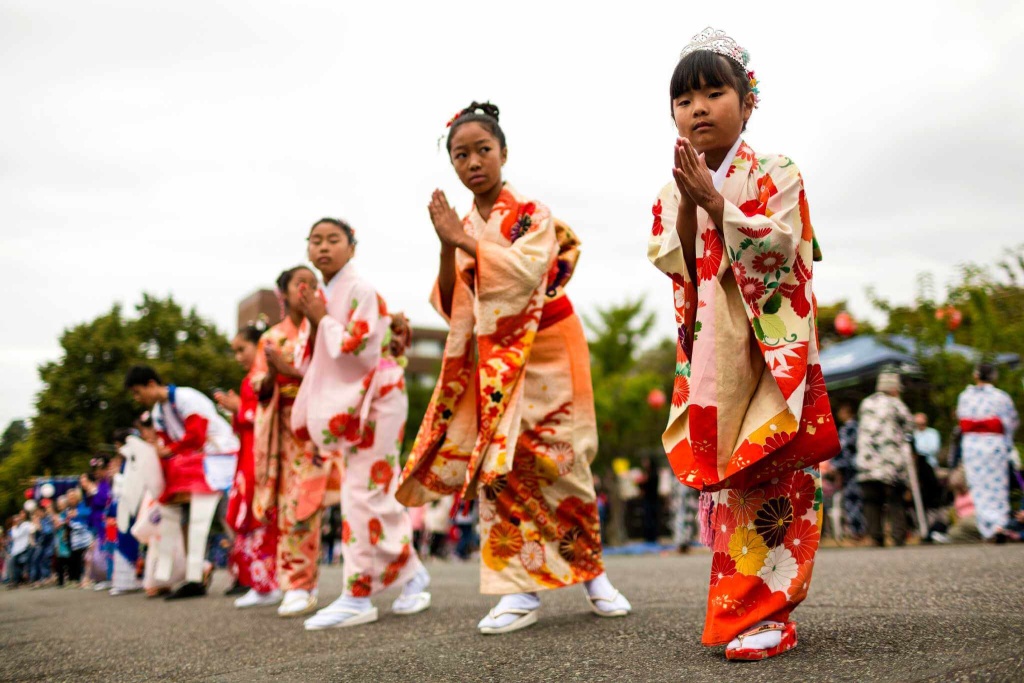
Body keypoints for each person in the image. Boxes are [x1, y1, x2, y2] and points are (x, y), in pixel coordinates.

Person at [398, 101, 631, 635]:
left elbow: (527, 275)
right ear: (452, 165)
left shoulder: (532, 213)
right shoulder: (462, 224)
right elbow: (453, 300)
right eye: (461, 154)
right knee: (499, 466)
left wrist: (462, 241)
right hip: (497, 356)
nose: (473, 161)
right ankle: (516, 590)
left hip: (548, 341)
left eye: (483, 150)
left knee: (561, 457)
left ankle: (592, 575)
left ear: (504, 152)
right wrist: (446, 246)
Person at [646, 28, 840, 660]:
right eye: (684, 99)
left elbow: (785, 250)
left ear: (747, 102)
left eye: (712, 91)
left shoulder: (777, 171)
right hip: (715, 350)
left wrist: (715, 203)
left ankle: (770, 613)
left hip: (766, 345)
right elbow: (676, 262)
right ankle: (744, 610)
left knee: (774, 470)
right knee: (733, 479)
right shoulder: (675, 183)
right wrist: (690, 204)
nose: (697, 107)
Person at [290, 219, 431, 630]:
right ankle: (409, 574)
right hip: (358, 401)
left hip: (378, 396)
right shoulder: (322, 295)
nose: (323, 247)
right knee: (369, 492)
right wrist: (316, 319)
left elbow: (362, 348)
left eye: (334, 240)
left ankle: (358, 593)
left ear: (352, 248)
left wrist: (322, 320)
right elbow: (311, 356)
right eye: (315, 240)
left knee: (363, 493)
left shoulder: (359, 289)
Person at [249, 265, 338, 618]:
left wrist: (292, 371)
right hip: (287, 432)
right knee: (293, 507)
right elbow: (261, 387)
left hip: (324, 428)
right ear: (282, 293)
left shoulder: (328, 328)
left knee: (323, 502)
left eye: (313, 283)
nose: (307, 289)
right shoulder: (271, 337)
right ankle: (299, 584)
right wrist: (273, 372)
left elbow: (342, 374)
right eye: (300, 283)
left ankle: (393, 574)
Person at [124, 365, 239, 599]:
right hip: (191, 469)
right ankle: (194, 576)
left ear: (151, 384)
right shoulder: (158, 413)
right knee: (187, 518)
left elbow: (196, 436)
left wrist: (169, 450)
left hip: (220, 460)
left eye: (138, 392)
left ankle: (244, 573)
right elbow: (166, 446)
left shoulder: (187, 398)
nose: (138, 398)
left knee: (228, 516)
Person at [217, 323, 282, 609]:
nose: (238, 357)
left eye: (241, 349)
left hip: (258, 456)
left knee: (259, 517)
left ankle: (267, 583)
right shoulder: (250, 380)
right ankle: (256, 581)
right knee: (246, 517)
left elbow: (265, 415)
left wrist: (239, 409)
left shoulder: (262, 378)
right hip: (247, 456)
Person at [955, 363, 1020, 541]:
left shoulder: (965, 396)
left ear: (976, 375)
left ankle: (989, 527)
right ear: (993, 376)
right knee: (998, 487)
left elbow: (961, 419)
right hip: (994, 444)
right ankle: (999, 524)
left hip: (973, 446)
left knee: (979, 486)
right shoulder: (1001, 397)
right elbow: (1011, 422)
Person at [857, 373, 913, 547]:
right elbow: (909, 426)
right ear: (894, 389)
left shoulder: (866, 403)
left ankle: (875, 536)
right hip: (890, 462)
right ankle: (898, 536)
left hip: (866, 461)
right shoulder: (896, 405)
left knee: (871, 500)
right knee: (895, 499)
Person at [829, 404, 866, 539]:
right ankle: (858, 530)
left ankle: (857, 531)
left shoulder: (848, 429)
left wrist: (835, 466)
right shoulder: (859, 427)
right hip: (858, 467)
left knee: (853, 500)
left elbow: (841, 449)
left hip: (850, 469)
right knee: (857, 499)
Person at [7, 511, 32, 588]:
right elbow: (14, 538)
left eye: (17, 519)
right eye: (15, 520)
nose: (16, 520)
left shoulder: (26, 525)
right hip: (16, 550)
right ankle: (15, 581)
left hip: (24, 548)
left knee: (18, 562)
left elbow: (31, 531)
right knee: (12, 563)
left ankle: (17, 581)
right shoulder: (13, 528)